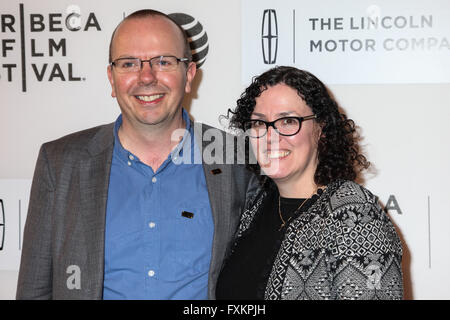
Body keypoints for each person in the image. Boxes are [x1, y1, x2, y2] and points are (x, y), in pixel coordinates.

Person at [16, 9, 254, 300]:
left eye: (163, 61)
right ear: (112, 78)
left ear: (189, 74)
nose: (146, 77)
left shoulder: (236, 160)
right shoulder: (60, 163)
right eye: (129, 63)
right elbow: (34, 291)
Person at [216, 66, 404, 300]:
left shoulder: (355, 214)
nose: (270, 137)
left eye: (287, 121)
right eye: (259, 123)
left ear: (321, 129)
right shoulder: (255, 207)